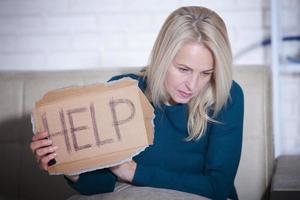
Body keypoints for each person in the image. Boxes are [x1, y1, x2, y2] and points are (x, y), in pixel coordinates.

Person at [30, 6, 244, 200]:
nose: (193, 85)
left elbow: (217, 187)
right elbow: (103, 184)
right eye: (184, 70)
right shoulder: (123, 92)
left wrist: (133, 172)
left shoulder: (227, 95)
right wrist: (72, 168)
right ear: (162, 57)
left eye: (206, 73)